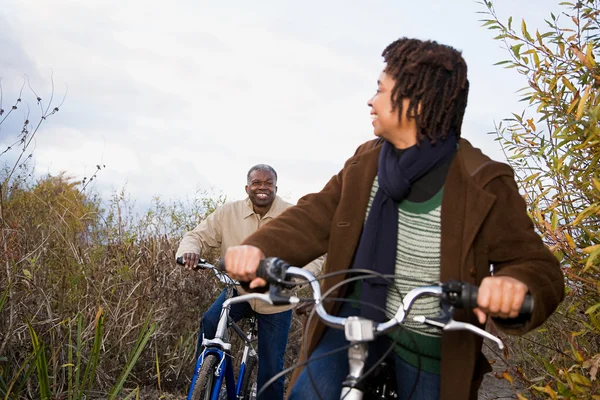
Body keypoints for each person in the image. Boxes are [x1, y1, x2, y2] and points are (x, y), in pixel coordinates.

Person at [221, 38, 565, 400]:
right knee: (307, 394)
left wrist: (516, 287)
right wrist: (255, 250)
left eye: (380, 91)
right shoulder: (364, 164)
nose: (371, 101)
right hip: (352, 320)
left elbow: (534, 264)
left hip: (433, 336)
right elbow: (313, 215)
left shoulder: (483, 182)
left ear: (416, 103)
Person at [176, 164, 323, 400]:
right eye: (256, 183)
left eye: (268, 183)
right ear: (247, 187)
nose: (262, 187)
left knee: (271, 368)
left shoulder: (292, 215)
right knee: (211, 322)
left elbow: (318, 251)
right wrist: (189, 252)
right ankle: (205, 381)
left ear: (276, 187)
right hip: (239, 289)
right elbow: (196, 236)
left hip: (275, 297)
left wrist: (295, 276)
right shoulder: (228, 213)